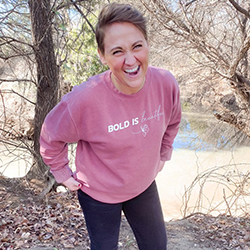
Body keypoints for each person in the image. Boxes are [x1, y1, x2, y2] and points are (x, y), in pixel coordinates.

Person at [40, 2, 181, 250]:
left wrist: (163, 154)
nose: (131, 60)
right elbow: (50, 136)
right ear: (102, 55)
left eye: (137, 46)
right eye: (117, 51)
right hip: (99, 194)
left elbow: (172, 121)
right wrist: (62, 173)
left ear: (147, 44)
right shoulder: (83, 100)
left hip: (143, 186)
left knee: (157, 246)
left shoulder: (166, 83)